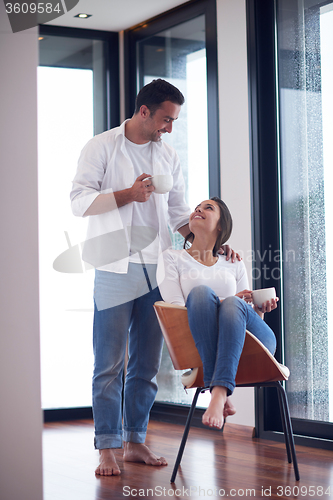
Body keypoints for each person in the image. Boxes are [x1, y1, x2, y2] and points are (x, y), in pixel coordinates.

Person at [70, 79, 239, 476]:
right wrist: (128, 195)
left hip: (159, 269)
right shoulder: (101, 146)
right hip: (113, 266)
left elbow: (181, 213)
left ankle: (134, 440)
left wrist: (216, 247)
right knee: (109, 363)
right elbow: (78, 201)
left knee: (146, 362)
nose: (169, 128)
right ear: (143, 111)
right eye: (166, 119)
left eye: (174, 120)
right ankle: (107, 445)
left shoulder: (169, 155)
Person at [157, 197, 278, 429]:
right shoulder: (171, 258)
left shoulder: (233, 262)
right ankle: (221, 392)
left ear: (221, 225)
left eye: (207, 208)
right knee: (201, 294)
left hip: (254, 343)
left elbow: (245, 320)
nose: (198, 210)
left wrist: (259, 309)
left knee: (233, 304)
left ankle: (217, 389)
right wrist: (226, 300)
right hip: (200, 339)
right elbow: (178, 310)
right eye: (196, 208)